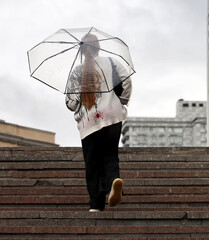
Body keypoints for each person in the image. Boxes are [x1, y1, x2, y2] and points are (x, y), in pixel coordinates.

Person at [65, 33, 132, 212]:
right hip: (112, 115)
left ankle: (96, 204)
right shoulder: (112, 62)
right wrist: (121, 101)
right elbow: (126, 83)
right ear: (98, 47)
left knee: (92, 161)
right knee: (110, 155)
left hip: (89, 121)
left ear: (82, 50)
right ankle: (112, 183)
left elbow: (70, 104)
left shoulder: (77, 71)